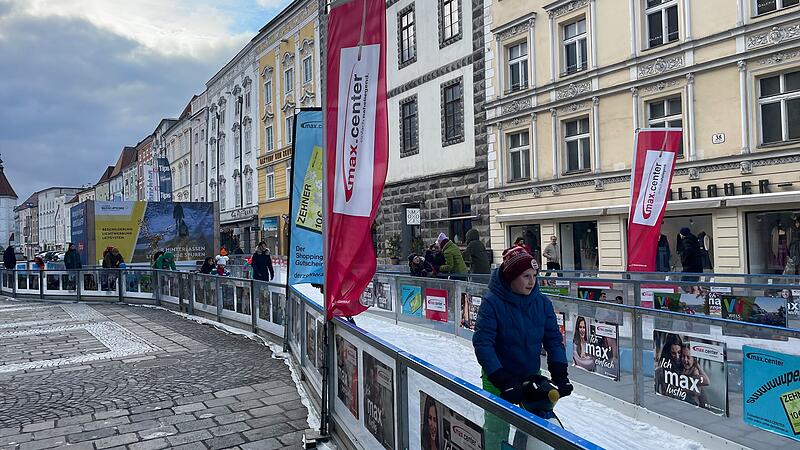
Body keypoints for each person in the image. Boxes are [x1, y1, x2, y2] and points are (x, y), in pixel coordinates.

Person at [473, 246, 571, 449]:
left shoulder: (542, 303)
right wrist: (501, 379)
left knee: (534, 426)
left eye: (534, 275)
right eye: (526, 276)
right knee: (497, 429)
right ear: (511, 277)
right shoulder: (492, 303)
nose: (532, 281)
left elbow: (553, 339)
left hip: (530, 378)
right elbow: (483, 343)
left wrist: (559, 372)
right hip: (498, 377)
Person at [680, 343, 709, 407]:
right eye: (683, 356)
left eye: (688, 357)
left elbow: (706, 382)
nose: (685, 360)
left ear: (694, 359)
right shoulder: (681, 368)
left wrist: (681, 388)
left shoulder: (695, 371)